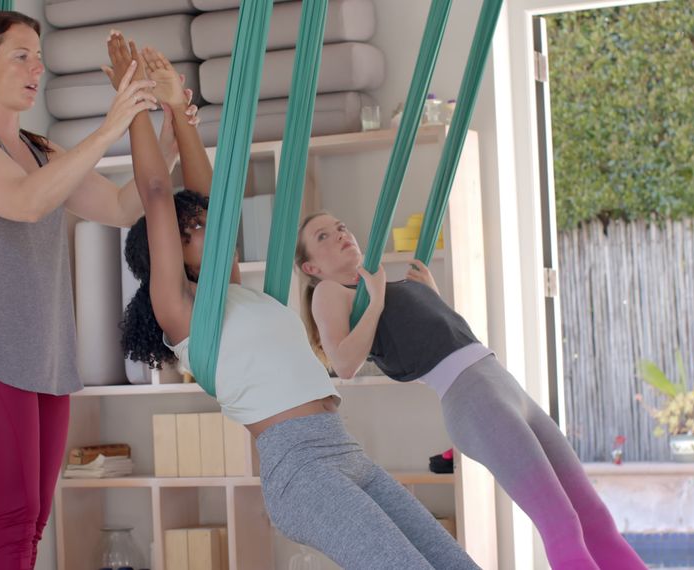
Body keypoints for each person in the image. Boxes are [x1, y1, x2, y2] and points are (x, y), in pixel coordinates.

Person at [113, 36, 480, 570]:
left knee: (452, 562)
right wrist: (135, 101)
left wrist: (178, 107)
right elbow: (153, 192)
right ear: (164, 254)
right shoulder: (182, 315)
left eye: (197, 221)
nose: (204, 228)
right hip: (299, 471)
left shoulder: (229, 289)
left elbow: (213, 205)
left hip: (343, 450)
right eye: (186, 228)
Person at [0, 11, 196, 569]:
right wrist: (108, 126)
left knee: (33, 523)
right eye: (21, 55)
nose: (36, 67)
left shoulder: (42, 149)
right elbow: (26, 203)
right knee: (10, 521)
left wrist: (171, 131)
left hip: (42, 354)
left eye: (38, 56)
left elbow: (124, 208)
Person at [295, 212, 648, 570]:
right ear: (311, 268)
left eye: (341, 226)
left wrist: (429, 295)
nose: (340, 234)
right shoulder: (331, 292)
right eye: (322, 236)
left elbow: (439, 336)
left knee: (594, 517)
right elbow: (344, 364)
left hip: (501, 385)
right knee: (562, 525)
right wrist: (376, 301)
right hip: (475, 402)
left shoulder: (382, 285)